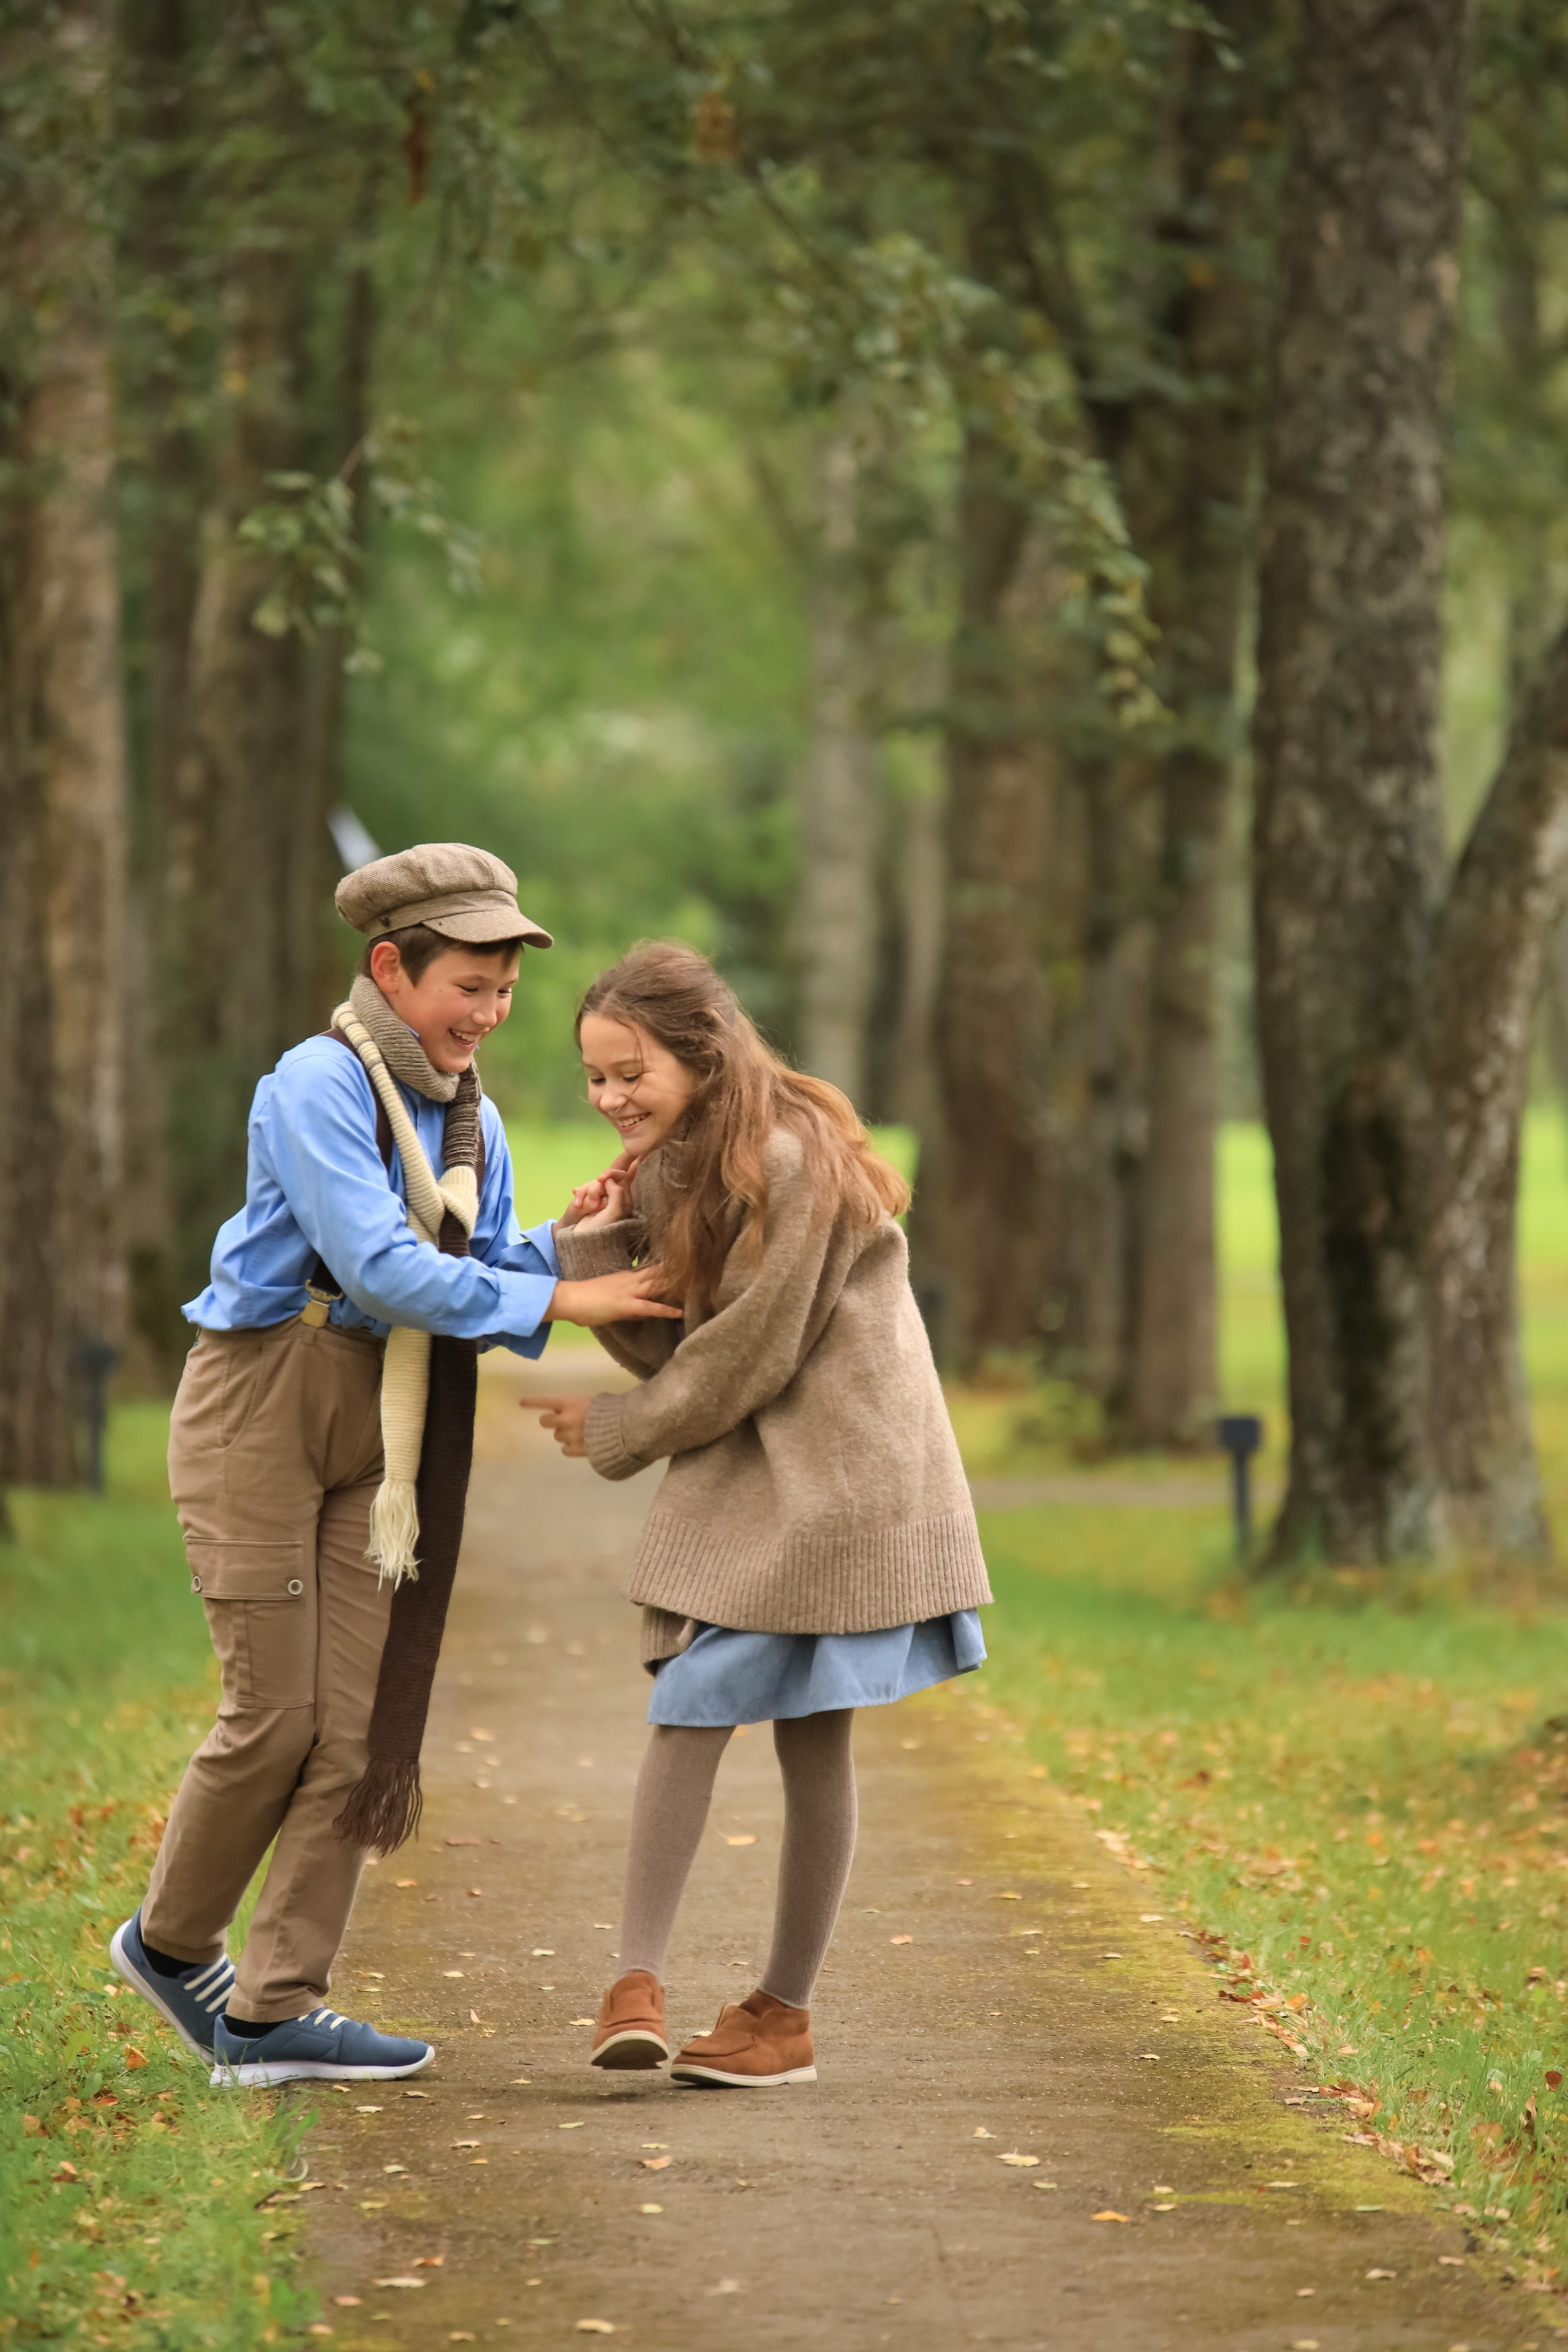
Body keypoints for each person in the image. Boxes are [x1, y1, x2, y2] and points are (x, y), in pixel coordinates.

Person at [111, 846, 679, 2090]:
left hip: (390, 1422)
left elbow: (488, 1269)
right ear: (389, 967)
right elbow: (375, 1265)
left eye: (502, 991)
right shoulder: (312, 1085)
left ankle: (272, 2011)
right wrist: (564, 1293)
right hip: (261, 1397)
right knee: (274, 1719)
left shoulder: (468, 1119)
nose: (487, 1014)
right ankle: (170, 1944)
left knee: (357, 1730)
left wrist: (570, 1241)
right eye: (466, 986)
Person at [538, 941, 991, 2088]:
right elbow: (682, 1339)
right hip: (779, 1470)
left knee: (729, 1705)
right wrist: (597, 1243)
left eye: (629, 1071)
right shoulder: (680, 1164)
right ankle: (691, 2001)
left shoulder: (791, 1154)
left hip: (847, 1480)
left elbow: (748, 1350)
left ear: (703, 1052)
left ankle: (744, 2004)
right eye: (593, 1078)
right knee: (775, 1719)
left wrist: (621, 1431)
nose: (610, 1098)